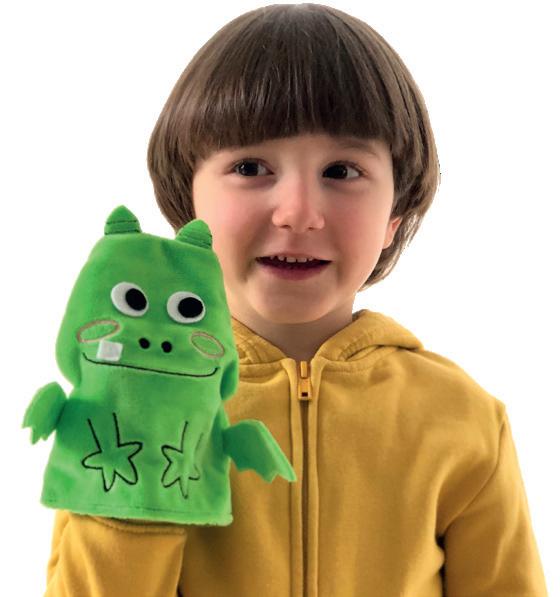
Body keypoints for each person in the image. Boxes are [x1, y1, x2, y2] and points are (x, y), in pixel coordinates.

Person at [44, 3, 548, 596]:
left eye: (343, 171)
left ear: (395, 213)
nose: (299, 213)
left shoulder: (461, 418)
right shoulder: (130, 398)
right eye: (250, 166)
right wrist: (136, 482)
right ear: (188, 204)